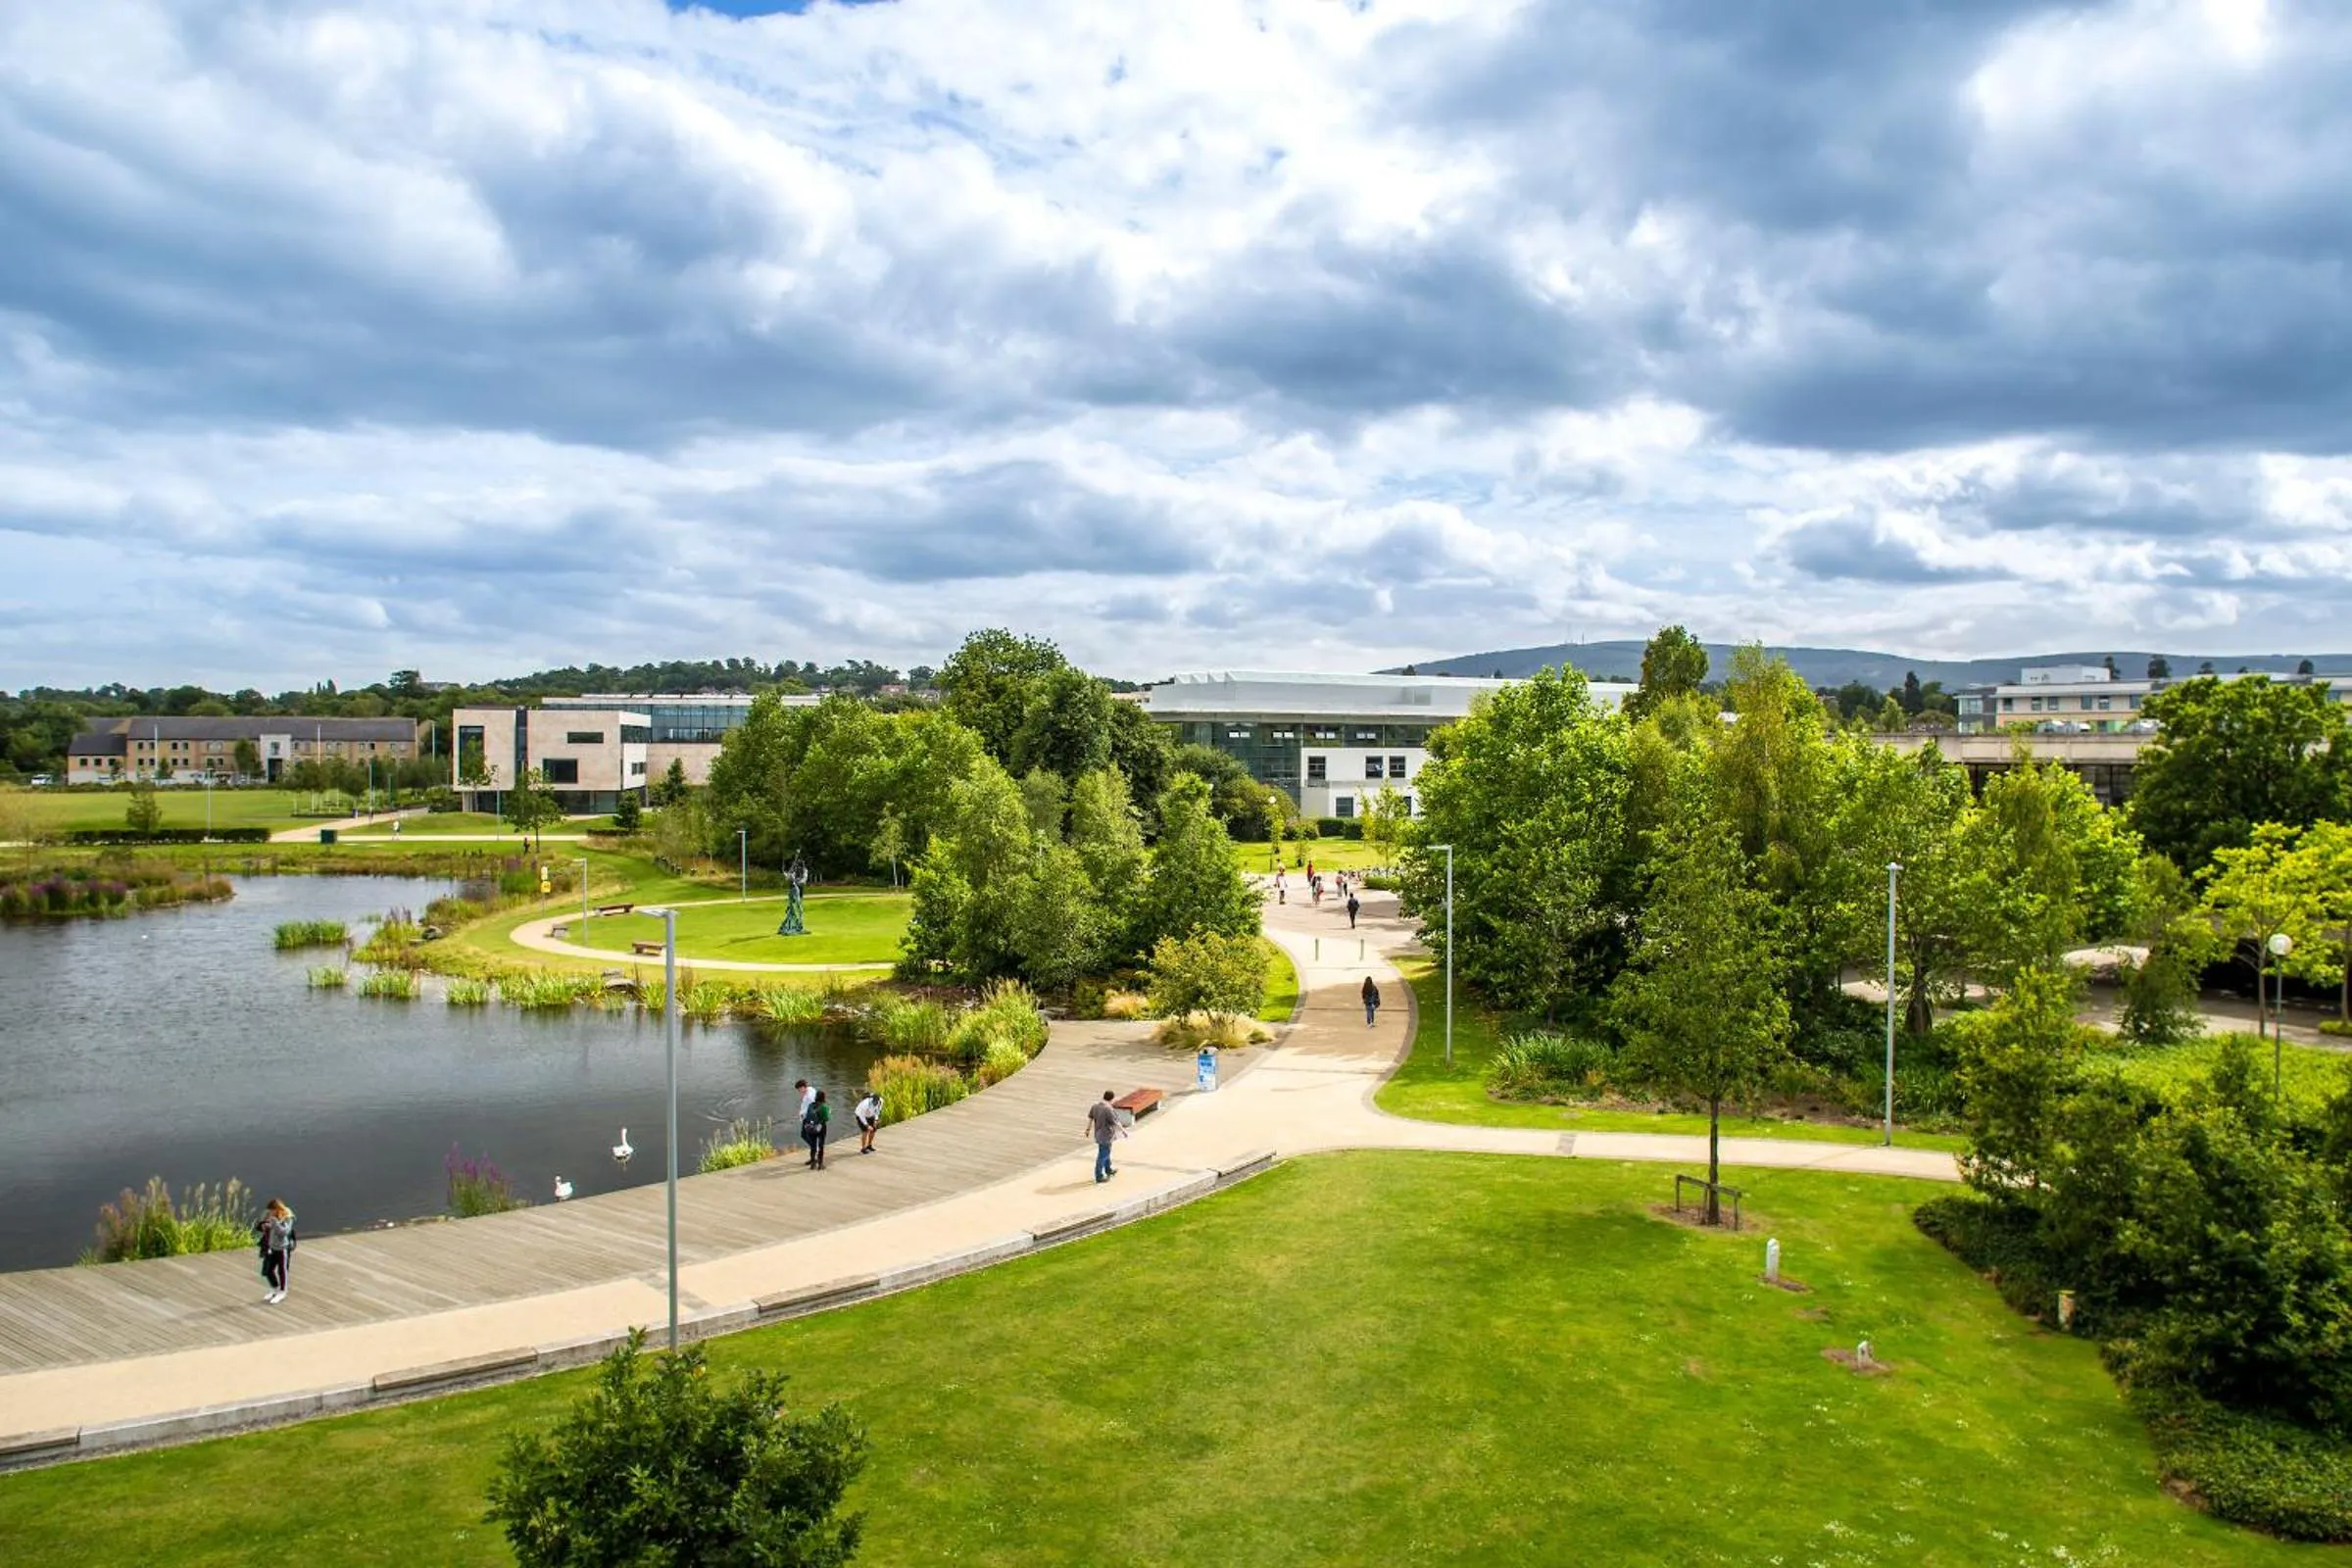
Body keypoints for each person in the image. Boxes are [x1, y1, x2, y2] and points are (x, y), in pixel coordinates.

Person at [254, 1198, 297, 1305]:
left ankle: (283, 1291)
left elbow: (284, 1232)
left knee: (282, 1270)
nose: (270, 1213)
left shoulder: (287, 1217)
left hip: (282, 1248)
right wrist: (263, 1225)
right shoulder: (270, 1214)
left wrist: (275, 1223)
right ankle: (275, 1288)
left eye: (272, 1211)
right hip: (271, 1247)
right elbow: (259, 1226)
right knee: (268, 1270)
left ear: (277, 1209)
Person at [1087, 1089, 1125, 1183]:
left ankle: (1108, 1169)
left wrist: (1087, 1129)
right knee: (1103, 1155)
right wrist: (1124, 1131)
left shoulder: (1095, 1106)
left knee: (1106, 1153)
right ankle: (1099, 1176)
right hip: (1106, 1135)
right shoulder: (1108, 1109)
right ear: (1112, 1099)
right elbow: (1115, 1122)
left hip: (1098, 1134)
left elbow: (1090, 1118)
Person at [802, 1089, 831, 1169]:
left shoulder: (811, 1105)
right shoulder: (824, 1106)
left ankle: (812, 1163)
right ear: (823, 1097)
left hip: (811, 1127)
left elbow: (807, 1115)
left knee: (813, 1146)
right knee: (821, 1145)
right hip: (821, 1128)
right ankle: (820, 1164)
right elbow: (827, 1118)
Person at [855, 1089, 881, 1154]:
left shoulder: (881, 1101)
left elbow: (877, 1111)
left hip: (870, 1115)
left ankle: (869, 1145)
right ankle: (863, 1148)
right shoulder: (865, 1104)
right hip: (860, 1115)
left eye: (876, 1102)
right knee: (865, 1131)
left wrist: (876, 1120)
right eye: (874, 1102)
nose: (875, 1103)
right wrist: (867, 1125)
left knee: (873, 1130)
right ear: (872, 1099)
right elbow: (861, 1116)